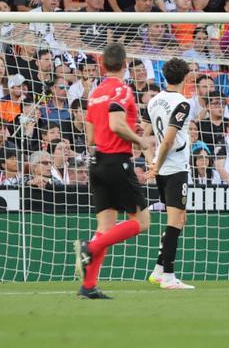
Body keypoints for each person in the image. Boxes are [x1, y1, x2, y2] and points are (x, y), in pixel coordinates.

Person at [76, 43, 151, 300]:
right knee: (142, 222)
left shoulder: (95, 92)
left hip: (97, 162)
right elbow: (116, 124)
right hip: (118, 162)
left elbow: (90, 135)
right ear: (126, 63)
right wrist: (138, 140)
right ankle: (91, 247)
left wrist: (131, 128)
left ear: (102, 65)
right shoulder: (122, 89)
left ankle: (88, 285)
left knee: (105, 227)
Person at [142, 58, 194, 290]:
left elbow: (145, 136)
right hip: (174, 169)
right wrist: (156, 164)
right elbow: (170, 139)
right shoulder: (182, 103)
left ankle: (158, 270)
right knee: (175, 222)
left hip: (164, 168)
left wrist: (151, 162)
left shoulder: (153, 101)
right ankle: (169, 277)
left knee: (180, 219)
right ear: (185, 78)